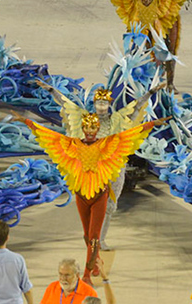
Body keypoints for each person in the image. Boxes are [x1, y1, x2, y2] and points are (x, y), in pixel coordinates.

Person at [21, 113, 163, 284]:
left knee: (94, 236)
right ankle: (96, 262)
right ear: (83, 128)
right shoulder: (72, 144)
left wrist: (152, 123)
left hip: (100, 195)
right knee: (87, 235)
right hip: (81, 195)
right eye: (87, 127)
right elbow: (50, 136)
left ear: (97, 129)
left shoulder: (107, 144)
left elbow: (130, 135)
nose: (89, 131)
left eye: (93, 127)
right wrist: (27, 121)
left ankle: (88, 272)